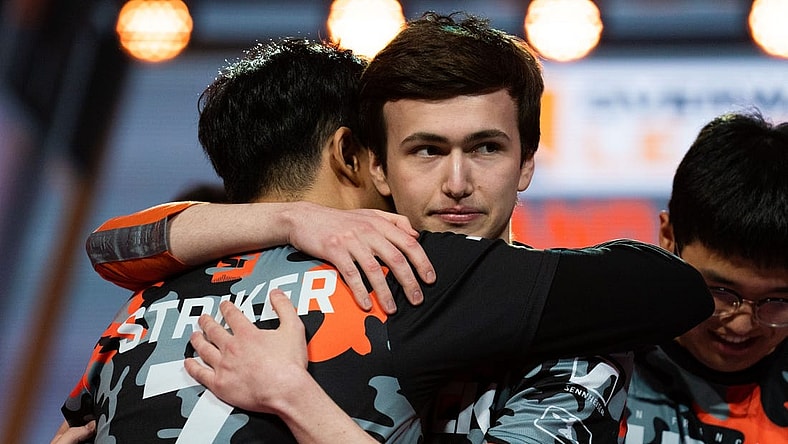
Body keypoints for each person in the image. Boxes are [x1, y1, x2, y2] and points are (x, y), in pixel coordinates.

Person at [60, 16, 711, 444]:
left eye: (484, 148)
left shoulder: (140, 303)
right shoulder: (409, 273)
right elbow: (671, 290)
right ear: (362, 157)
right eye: (423, 151)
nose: (456, 182)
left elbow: (106, 246)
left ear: (526, 159)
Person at [621, 111, 788, 444]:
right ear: (668, 238)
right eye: (722, 291)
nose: (741, 326)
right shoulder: (590, 363)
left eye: (777, 302)